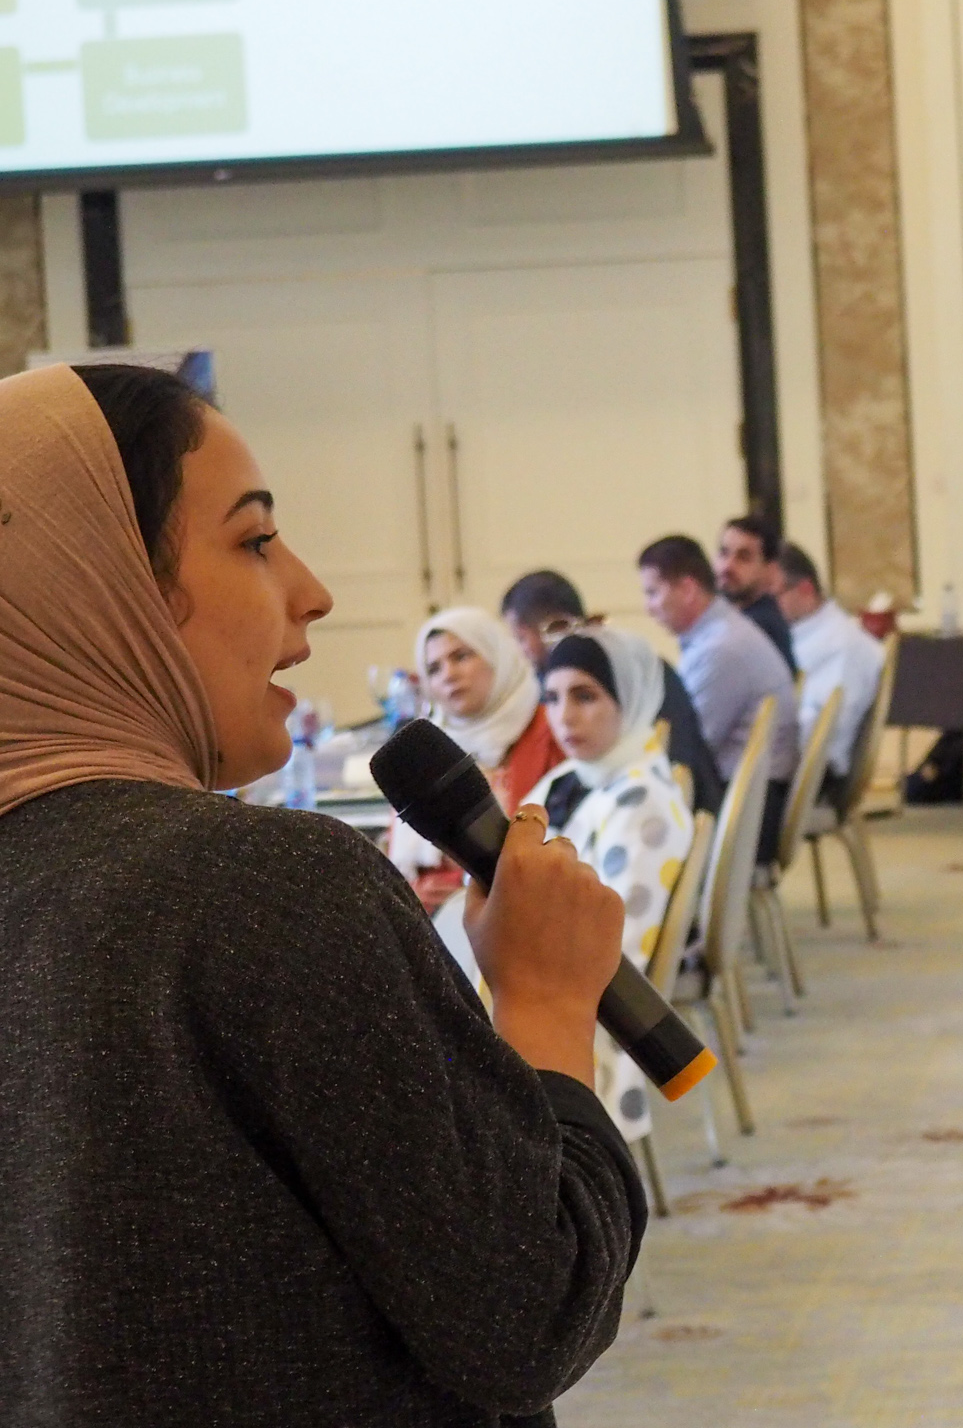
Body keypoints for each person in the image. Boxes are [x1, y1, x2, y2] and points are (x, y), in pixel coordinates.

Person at [0, 364, 642, 1424]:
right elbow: (528, 1309)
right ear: (101, 584)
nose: (312, 590)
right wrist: (545, 1007)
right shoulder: (261, 888)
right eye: (254, 540)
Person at [526, 628, 695, 1146]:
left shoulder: (641, 801)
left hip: (587, 993)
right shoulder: (583, 777)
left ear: (631, 699)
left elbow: (617, 945)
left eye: (586, 696)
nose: (564, 717)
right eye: (552, 698)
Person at [501, 568, 725, 814]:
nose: (564, 716)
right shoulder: (629, 662)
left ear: (554, 626)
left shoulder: (622, 673)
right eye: (554, 699)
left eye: (521, 638)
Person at [389, 607, 566, 913]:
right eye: (434, 669)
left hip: (527, 911)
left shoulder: (553, 732)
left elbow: (564, 837)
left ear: (496, 656)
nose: (449, 675)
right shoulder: (429, 745)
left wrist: (466, 888)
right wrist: (415, 897)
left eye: (461, 657)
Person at [639, 534, 798, 865]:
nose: (648, 607)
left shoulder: (720, 650)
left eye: (653, 592)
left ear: (687, 589)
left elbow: (686, 751)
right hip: (753, 799)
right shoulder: (719, 634)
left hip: (750, 814)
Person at [776, 541, 885, 808]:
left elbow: (822, 730)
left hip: (814, 777)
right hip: (793, 762)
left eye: (771, 595)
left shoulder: (843, 646)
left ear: (805, 590)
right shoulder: (803, 635)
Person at [716, 514, 797, 674]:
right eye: (724, 553)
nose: (727, 566)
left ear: (770, 570)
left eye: (743, 558)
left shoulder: (757, 628)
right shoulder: (739, 618)